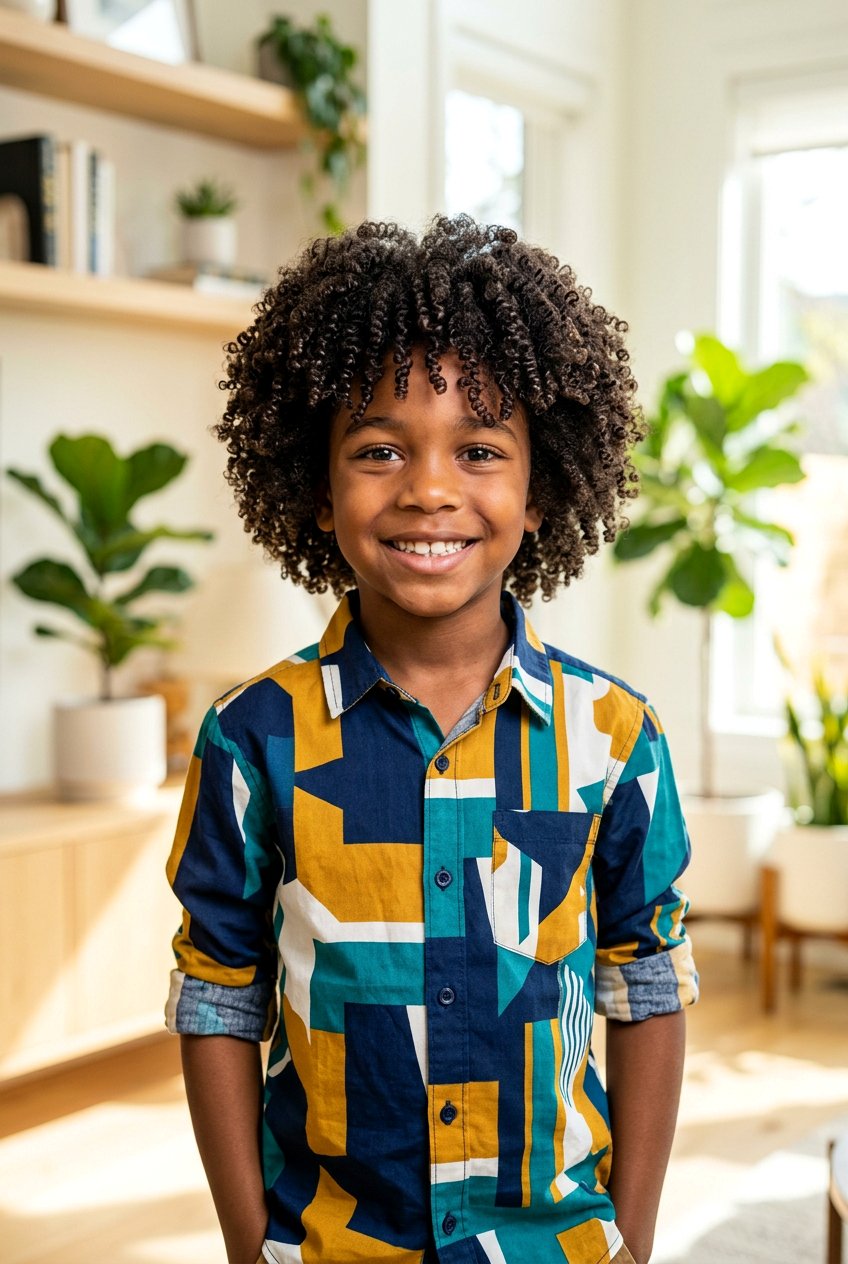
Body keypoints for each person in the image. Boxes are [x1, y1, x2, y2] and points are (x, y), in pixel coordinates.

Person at [165, 215, 699, 1264]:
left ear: (540, 491)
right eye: (377, 449)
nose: (427, 489)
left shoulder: (614, 739)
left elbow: (644, 988)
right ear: (317, 489)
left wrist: (627, 1239)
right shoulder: (249, 740)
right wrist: (246, 1244)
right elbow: (218, 998)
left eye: (480, 449)